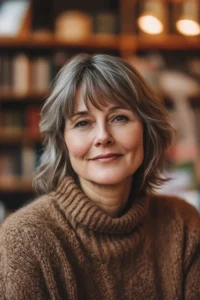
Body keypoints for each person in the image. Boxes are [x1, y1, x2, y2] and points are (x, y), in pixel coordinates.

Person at [0, 53, 200, 300]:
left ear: (147, 129)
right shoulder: (24, 240)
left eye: (119, 118)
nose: (103, 136)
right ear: (63, 142)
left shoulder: (184, 225)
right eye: (83, 123)